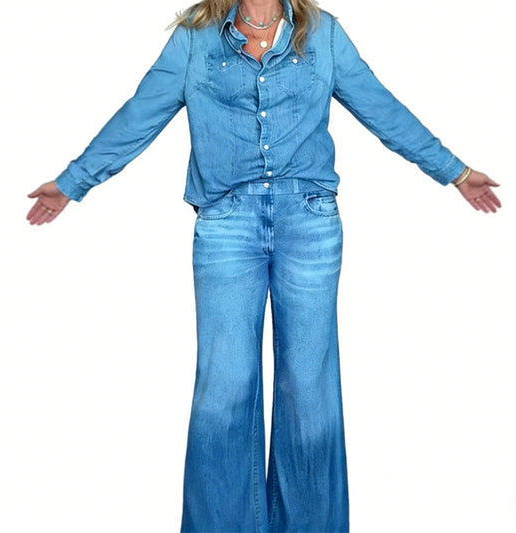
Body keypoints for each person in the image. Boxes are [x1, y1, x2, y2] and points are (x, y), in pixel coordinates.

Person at [26, 0, 502, 531]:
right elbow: (140, 115)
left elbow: (381, 108)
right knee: (224, 386)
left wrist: (455, 172)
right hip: (226, 223)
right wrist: (72, 183)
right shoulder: (195, 37)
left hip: (310, 221)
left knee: (309, 387)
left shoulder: (323, 34)